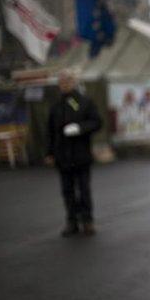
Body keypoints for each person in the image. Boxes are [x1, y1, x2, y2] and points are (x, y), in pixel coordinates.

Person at [46, 68, 102, 237]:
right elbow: (50, 132)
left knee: (84, 190)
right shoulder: (56, 106)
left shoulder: (85, 102)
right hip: (63, 157)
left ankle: (87, 221)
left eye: (68, 81)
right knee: (67, 191)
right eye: (61, 82)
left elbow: (97, 122)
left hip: (81, 155)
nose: (64, 85)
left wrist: (80, 128)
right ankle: (72, 222)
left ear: (74, 82)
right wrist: (49, 153)